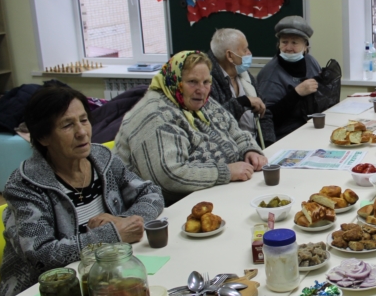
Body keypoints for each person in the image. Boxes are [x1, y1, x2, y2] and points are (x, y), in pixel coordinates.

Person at [0, 85, 164, 296]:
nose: (82, 132)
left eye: (84, 120)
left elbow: (151, 193)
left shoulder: (101, 158)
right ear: (43, 137)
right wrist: (112, 235)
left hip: (105, 280)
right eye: (68, 125)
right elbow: (41, 255)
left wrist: (122, 221)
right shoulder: (25, 185)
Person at [114, 51, 267, 205]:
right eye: (192, 81)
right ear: (174, 80)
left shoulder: (200, 101)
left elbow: (235, 132)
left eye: (206, 82)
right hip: (173, 208)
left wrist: (249, 149)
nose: (201, 90)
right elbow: (169, 176)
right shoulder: (156, 115)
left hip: (218, 193)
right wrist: (226, 172)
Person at [207, 28, 276, 147]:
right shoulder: (207, 81)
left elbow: (264, 113)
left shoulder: (245, 75)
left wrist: (268, 144)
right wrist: (243, 102)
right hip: (231, 151)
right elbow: (212, 121)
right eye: (245, 49)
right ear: (229, 55)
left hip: (257, 147)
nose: (249, 53)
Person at [256, 16, 322, 140]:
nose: (288, 48)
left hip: (312, 126)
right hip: (286, 135)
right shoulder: (270, 74)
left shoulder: (310, 61)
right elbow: (267, 118)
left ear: (305, 46)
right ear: (278, 44)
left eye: (295, 43)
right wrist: (296, 93)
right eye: (284, 42)